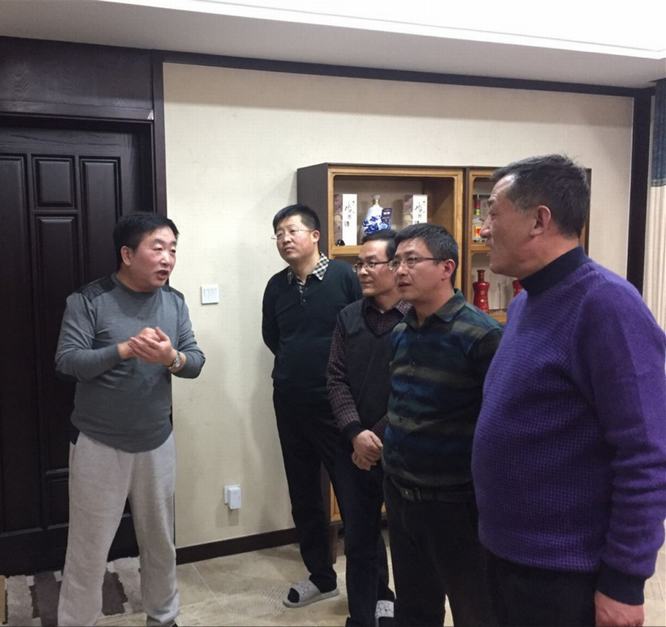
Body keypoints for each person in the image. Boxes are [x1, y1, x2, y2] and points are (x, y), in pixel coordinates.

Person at [471, 154, 666, 627]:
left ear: (539, 220)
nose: (485, 229)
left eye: (493, 213)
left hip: (565, 572)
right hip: (506, 553)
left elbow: (646, 452)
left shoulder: (606, 305)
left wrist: (624, 581)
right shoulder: (526, 303)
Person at [55, 212, 205, 627]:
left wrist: (171, 358)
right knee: (88, 548)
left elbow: (195, 360)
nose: (168, 258)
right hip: (98, 443)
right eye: (158, 248)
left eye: (172, 250)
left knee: (161, 542)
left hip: (157, 440)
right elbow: (67, 361)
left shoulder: (174, 301)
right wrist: (123, 350)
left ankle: (164, 616)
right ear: (127, 254)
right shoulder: (88, 300)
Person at [382, 223, 502, 627]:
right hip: (401, 496)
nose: (400, 270)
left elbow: (497, 425)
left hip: (455, 503)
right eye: (396, 262)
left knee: (474, 610)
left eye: (412, 260)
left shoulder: (481, 335)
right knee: (414, 608)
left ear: (447, 267)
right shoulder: (402, 332)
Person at [262, 204, 362, 607]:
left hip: (336, 404)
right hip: (289, 402)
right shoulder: (276, 286)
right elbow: (273, 337)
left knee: (354, 496)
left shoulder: (343, 277)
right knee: (303, 494)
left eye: (292, 231)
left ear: (315, 235)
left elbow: (362, 330)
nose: (284, 239)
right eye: (278, 234)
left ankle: (376, 589)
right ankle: (321, 577)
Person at [327, 230, 410, 627]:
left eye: (370, 263)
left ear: (396, 266)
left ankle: (392, 607)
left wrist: (375, 436)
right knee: (358, 539)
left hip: (401, 448)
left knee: (408, 542)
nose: (361, 271)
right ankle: (360, 616)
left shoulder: (417, 318)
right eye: (358, 264)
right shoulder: (348, 316)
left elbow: (413, 388)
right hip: (353, 446)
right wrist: (355, 433)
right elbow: (335, 378)